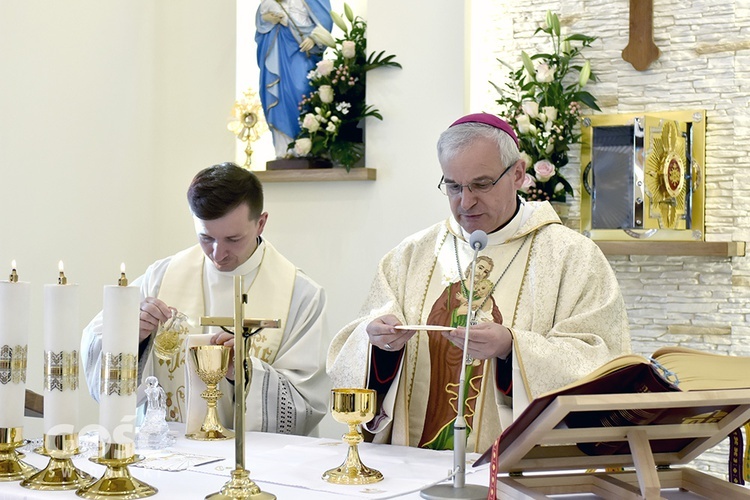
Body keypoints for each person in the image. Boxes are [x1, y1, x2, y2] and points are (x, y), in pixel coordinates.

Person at [326, 113, 631, 452]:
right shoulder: (411, 255)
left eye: (481, 184)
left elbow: (602, 361)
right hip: (413, 462)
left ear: (517, 173)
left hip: (516, 474)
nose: (465, 202)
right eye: (453, 186)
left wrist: (511, 349)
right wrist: (380, 347)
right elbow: (358, 351)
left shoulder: (572, 257)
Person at [82, 162, 329, 436]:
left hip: (258, 461)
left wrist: (244, 371)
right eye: (206, 238)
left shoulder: (300, 294)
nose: (218, 253)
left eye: (233, 239)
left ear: (260, 223)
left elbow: (307, 402)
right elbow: (99, 345)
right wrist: (133, 336)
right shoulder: (161, 277)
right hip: (171, 453)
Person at [255, 0, 333, 158]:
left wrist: (314, 38)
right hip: (278, 48)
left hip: (301, 50)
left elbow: (325, 19)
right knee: (280, 95)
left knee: (302, 90)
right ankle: (284, 147)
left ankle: (307, 145)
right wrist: (268, 19)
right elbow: (262, 18)